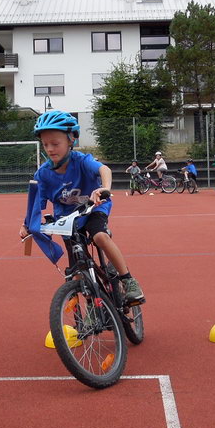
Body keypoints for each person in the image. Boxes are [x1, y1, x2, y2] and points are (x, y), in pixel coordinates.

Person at [19, 110, 144, 303]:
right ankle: (91, 311)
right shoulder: (43, 174)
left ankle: (128, 280)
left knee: (100, 236)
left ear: (71, 140)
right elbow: (36, 206)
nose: (50, 149)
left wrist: (104, 188)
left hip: (94, 208)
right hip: (68, 220)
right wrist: (26, 224)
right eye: (45, 144)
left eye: (55, 143)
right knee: (77, 267)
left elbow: (104, 169)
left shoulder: (81, 161)